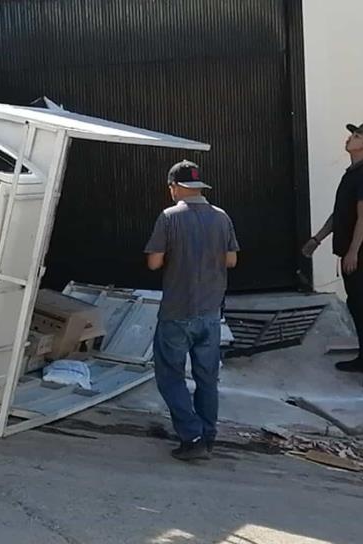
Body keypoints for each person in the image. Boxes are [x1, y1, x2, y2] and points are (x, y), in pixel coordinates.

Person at [144, 160, 239, 461]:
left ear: (175, 186)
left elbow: (154, 262)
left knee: (170, 376)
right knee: (207, 378)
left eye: (171, 187)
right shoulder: (222, 217)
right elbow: (232, 261)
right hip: (211, 312)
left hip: (177, 310)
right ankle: (208, 436)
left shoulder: (169, 217)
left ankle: (192, 434)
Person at [302, 122, 363, 388]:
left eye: (356, 136)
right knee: (356, 305)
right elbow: (339, 214)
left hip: (360, 252)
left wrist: (353, 252)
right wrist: (317, 239)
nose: (350, 139)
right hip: (348, 250)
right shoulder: (350, 174)